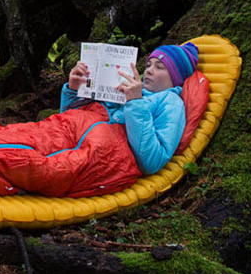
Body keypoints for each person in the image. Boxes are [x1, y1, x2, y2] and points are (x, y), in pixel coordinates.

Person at [59, 43, 199, 175]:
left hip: (98, 156)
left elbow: (152, 162)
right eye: (148, 65)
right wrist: (73, 91)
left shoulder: (171, 102)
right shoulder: (130, 90)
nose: (149, 70)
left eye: (160, 67)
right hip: (73, 141)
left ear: (176, 77)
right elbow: (68, 124)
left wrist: (135, 103)